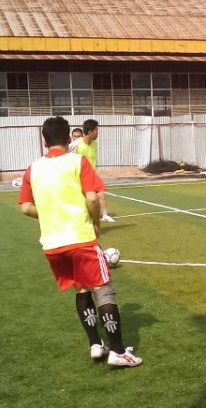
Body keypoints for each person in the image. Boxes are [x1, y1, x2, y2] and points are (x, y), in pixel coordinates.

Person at [19, 117, 141, 367]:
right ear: (68, 138)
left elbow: (26, 207)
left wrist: (52, 214)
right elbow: (93, 199)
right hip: (81, 238)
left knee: (81, 289)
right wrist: (96, 223)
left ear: (44, 140)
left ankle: (96, 344)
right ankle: (118, 351)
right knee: (103, 289)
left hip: (53, 245)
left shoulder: (33, 168)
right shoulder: (77, 162)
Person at [69, 120, 115, 223]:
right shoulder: (77, 143)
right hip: (80, 176)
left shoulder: (94, 143)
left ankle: (105, 216)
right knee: (85, 199)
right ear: (90, 132)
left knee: (101, 193)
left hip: (92, 174)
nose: (98, 133)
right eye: (96, 130)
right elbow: (64, 150)